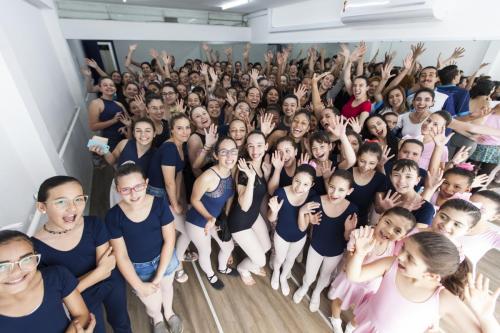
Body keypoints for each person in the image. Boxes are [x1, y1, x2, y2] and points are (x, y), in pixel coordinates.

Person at [32, 176, 131, 333]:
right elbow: (57, 293)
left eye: (78, 199)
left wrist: (75, 286)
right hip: (80, 301)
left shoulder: (94, 224)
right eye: (61, 201)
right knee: (95, 329)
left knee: (121, 322)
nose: (73, 208)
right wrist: (98, 272)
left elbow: (107, 270)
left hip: (111, 284)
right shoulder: (35, 248)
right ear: (42, 207)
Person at [347, 230, 486, 333]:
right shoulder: (392, 265)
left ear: (432, 276)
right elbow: (355, 276)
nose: (400, 256)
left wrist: (485, 316)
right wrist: (359, 254)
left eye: (410, 258)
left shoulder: (443, 299)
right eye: (403, 248)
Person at [105, 164, 182, 333]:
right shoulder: (113, 217)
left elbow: (170, 240)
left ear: (146, 183)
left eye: (138, 187)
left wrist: (158, 276)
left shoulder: (159, 204)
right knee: (153, 303)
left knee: (167, 288)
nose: (133, 194)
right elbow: (121, 256)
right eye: (126, 189)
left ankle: (169, 312)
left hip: (166, 259)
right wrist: (138, 285)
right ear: (118, 190)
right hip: (139, 268)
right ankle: (157, 319)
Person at [328, 207, 417, 333]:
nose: (389, 231)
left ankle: (351, 326)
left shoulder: (394, 247)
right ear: (380, 218)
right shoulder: (362, 234)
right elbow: (348, 260)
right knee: (339, 301)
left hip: (370, 286)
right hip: (351, 280)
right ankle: (335, 319)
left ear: (402, 237)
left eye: (397, 231)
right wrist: (359, 252)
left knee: (364, 309)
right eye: (387, 222)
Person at [0, 230, 95, 333]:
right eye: (2, 266)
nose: (16, 272)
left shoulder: (57, 276)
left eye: (26, 259)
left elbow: (81, 315)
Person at [293, 170, 359, 312]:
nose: (334, 193)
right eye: (332, 187)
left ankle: (316, 293)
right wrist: (309, 219)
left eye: (341, 190)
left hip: (335, 252)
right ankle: (305, 286)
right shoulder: (317, 200)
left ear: (349, 191)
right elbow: (304, 226)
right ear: (328, 184)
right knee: (309, 274)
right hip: (315, 247)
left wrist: (348, 230)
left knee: (325, 275)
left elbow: (348, 239)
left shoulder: (352, 209)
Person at [147, 113, 197, 284]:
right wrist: (175, 204)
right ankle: (177, 267)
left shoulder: (180, 145)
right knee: (178, 232)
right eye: (179, 128)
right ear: (172, 130)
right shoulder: (169, 149)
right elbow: (168, 182)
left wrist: (181, 198)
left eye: (187, 127)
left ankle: (179, 259)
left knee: (181, 230)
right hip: (157, 195)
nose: (184, 131)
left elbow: (178, 176)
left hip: (167, 193)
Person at [185, 137, 239, 290]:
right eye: (224, 152)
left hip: (215, 219)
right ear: (215, 156)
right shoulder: (207, 176)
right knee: (206, 250)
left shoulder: (232, 170)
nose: (229, 156)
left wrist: (225, 215)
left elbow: (230, 194)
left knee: (228, 247)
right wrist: (209, 217)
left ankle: (222, 268)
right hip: (198, 220)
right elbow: (194, 200)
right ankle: (210, 274)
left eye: (233, 152)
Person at [227, 131, 272, 286]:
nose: (255, 151)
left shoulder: (263, 167)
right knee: (261, 260)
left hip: (254, 216)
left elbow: (262, 193)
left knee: (267, 246)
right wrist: (252, 179)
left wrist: (265, 176)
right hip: (240, 223)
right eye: (251, 146)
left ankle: (251, 264)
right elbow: (244, 206)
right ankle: (242, 268)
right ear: (246, 147)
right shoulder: (244, 170)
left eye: (259, 145)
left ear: (266, 146)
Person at [268, 164, 316, 296]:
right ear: (293, 177)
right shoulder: (280, 192)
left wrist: (302, 212)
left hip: (299, 237)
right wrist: (274, 212)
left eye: (306, 184)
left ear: (311, 185)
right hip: (281, 234)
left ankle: (283, 277)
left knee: (290, 259)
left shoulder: (312, 197)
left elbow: (302, 227)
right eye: (297, 181)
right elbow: (271, 218)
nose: (300, 187)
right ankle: (276, 272)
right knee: (279, 258)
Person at [89, 118, 156, 208]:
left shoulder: (157, 154)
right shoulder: (124, 143)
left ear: (154, 133)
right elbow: (112, 160)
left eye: (147, 131)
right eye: (138, 131)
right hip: (120, 188)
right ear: (134, 134)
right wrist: (104, 151)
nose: (143, 134)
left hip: (140, 193)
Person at [347, 142, 390, 227]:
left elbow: (378, 209)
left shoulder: (380, 179)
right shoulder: (347, 172)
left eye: (372, 163)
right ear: (357, 157)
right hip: (340, 216)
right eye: (362, 161)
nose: (365, 167)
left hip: (360, 221)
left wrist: (384, 207)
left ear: (378, 162)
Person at [461, 190, 500, 275]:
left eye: (481, 210)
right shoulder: (446, 218)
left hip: (458, 277)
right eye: (470, 204)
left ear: (494, 217)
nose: (471, 210)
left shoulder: (492, 237)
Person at [88, 78, 128, 151]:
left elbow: (128, 121)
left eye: (111, 85)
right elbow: (93, 127)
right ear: (100, 88)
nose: (109, 87)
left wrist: (125, 127)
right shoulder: (96, 103)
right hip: (110, 141)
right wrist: (113, 121)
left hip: (125, 138)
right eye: (105, 85)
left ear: (115, 89)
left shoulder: (119, 104)